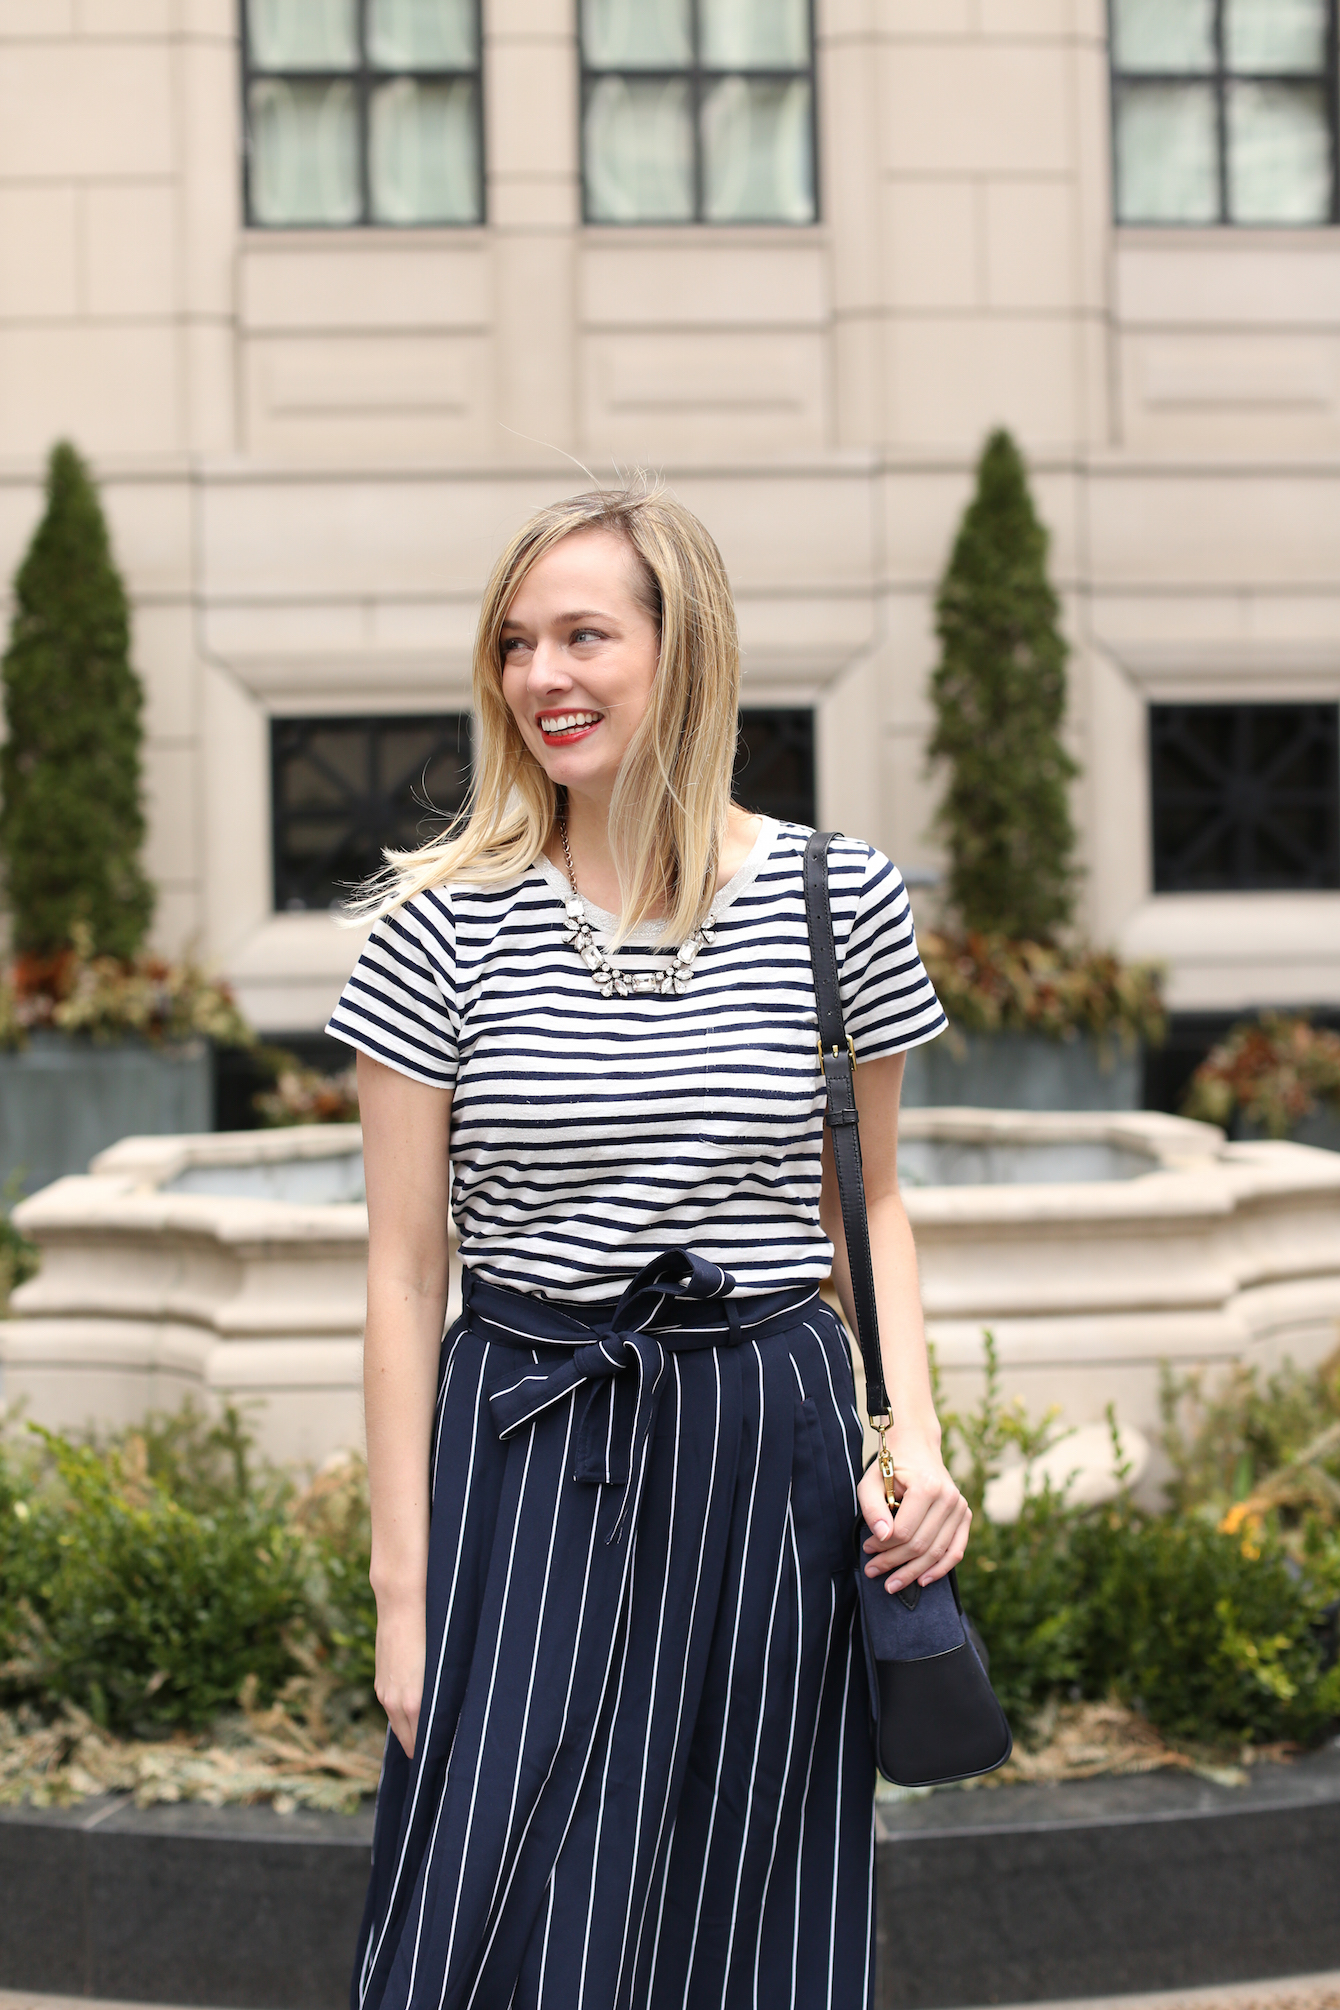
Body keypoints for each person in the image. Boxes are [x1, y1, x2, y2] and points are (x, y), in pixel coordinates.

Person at [326, 482, 969, 2010]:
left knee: (751, 1900)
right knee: (481, 1908)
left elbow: (865, 1203)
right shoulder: (437, 927)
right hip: (530, 1437)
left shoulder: (836, 898)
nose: (540, 675)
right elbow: (405, 1274)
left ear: (685, 653)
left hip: (774, 1447)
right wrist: (401, 1598)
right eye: (514, 642)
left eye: (583, 635)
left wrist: (918, 1444)